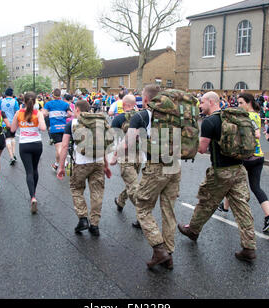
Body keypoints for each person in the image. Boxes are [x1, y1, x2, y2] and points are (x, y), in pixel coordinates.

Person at [178, 91, 257, 262]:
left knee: (206, 201)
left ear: (211, 102)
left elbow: (201, 148)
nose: (200, 105)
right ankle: (249, 247)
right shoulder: (233, 118)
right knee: (242, 208)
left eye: (202, 102)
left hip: (221, 171)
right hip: (239, 169)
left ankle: (193, 230)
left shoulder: (210, 121)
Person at [121, 85, 182, 269]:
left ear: (145, 100)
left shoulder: (141, 116)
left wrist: (114, 155)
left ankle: (159, 249)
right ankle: (168, 254)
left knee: (142, 208)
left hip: (156, 167)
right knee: (168, 209)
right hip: (175, 165)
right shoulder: (174, 114)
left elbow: (128, 143)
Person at [219, 93, 269, 232]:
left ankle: (230, 210)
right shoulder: (257, 115)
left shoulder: (246, 117)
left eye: (241, 103)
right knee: (256, 187)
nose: (239, 106)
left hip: (246, 157)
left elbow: (254, 134)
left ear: (249, 102)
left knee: (232, 182)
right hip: (259, 156)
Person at [57, 100, 112, 237]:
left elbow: (64, 147)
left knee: (76, 188)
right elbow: (102, 145)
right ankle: (95, 225)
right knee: (97, 193)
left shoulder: (72, 124)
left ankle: (82, 218)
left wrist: (61, 166)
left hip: (81, 163)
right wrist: (106, 164)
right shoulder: (99, 122)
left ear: (77, 109)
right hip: (98, 161)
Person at [10, 92, 47, 213]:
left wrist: (22, 124)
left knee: (29, 172)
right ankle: (34, 194)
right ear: (35, 101)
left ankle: (32, 197)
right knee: (35, 169)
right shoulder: (38, 113)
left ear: (24, 102)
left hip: (24, 144)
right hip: (36, 144)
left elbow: (12, 129)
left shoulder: (19, 113)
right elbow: (43, 128)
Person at [110, 95, 141, 228]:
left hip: (125, 155)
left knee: (132, 185)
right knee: (132, 183)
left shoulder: (118, 118)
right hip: (139, 155)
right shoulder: (142, 116)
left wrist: (114, 155)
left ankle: (143, 215)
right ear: (134, 104)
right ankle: (121, 201)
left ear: (123, 105)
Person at [42, 89, 72, 171]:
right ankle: (56, 164)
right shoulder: (65, 104)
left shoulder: (48, 104)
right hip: (64, 128)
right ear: (60, 95)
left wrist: (50, 114)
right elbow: (70, 114)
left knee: (59, 148)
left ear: (53, 95)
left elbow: (43, 114)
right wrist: (63, 116)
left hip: (55, 128)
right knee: (61, 148)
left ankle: (65, 162)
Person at [0, 88, 20, 165]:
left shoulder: (1, 101)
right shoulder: (15, 101)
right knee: (13, 137)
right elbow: (17, 111)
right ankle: (14, 154)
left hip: (4, 123)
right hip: (13, 122)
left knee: (7, 138)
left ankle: (11, 156)